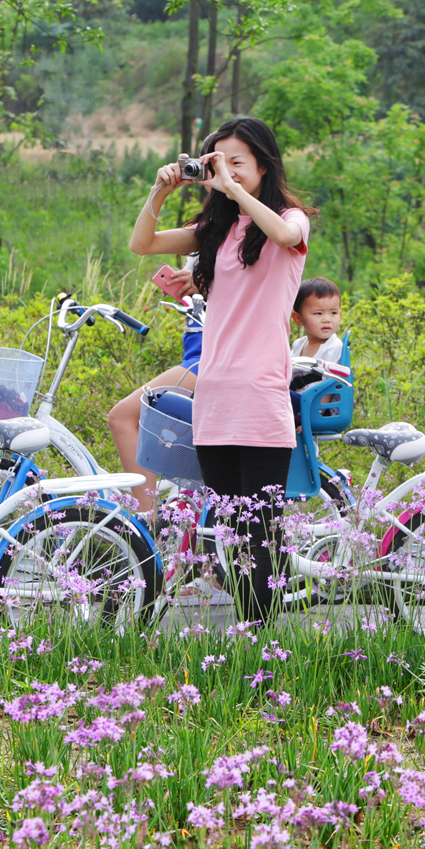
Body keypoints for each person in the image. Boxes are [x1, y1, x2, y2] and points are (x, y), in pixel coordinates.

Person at [129, 116, 312, 625]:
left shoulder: (290, 219)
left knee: (263, 533)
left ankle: (263, 640)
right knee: (230, 530)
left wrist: (233, 189)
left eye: (238, 162)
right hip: (215, 391)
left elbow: (279, 230)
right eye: (218, 162)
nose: (226, 171)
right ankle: (249, 635)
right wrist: (160, 191)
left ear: (263, 166)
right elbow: (142, 244)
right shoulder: (217, 231)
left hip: (260, 392)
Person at [106, 260, 200, 512]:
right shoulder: (209, 238)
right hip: (197, 355)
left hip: (208, 358)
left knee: (122, 417)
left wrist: (202, 283)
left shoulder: (233, 240)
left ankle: (147, 520)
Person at [290, 276, 345, 365]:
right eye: (319, 313)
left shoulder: (334, 347)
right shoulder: (298, 345)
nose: (327, 320)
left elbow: (332, 378)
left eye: (333, 313)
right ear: (298, 319)